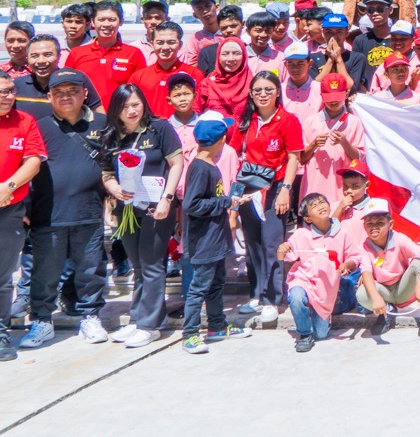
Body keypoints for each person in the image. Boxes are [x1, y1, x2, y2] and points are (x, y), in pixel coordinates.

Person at [17, 68, 112, 348]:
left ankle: (91, 317)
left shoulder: (103, 124)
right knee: (44, 273)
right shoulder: (39, 126)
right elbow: (25, 166)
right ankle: (42, 322)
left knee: (90, 270)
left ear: (85, 94)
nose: (66, 97)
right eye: (58, 92)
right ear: (49, 97)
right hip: (47, 214)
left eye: (72, 91)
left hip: (89, 212)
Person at [100, 84, 183, 347]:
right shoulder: (112, 135)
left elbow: (177, 163)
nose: (132, 110)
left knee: (151, 264)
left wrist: (167, 199)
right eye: (125, 106)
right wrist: (113, 188)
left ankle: (151, 325)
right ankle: (138, 318)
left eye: (136, 104)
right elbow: (106, 173)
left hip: (156, 207)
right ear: (116, 109)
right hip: (127, 209)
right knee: (138, 265)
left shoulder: (159, 128)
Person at [229, 71, 304, 325]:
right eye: (258, 90)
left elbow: (294, 157)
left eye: (268, 90)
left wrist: (285, 189)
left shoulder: (288, 120)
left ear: (277, 92)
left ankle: (273, 298)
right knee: (252, 245)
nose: (263, 95)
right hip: (249, 188)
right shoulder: (246, 120)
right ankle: (257, 294)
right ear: (251, 94)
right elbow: (237, 155)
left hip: (274, 189)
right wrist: (236, 194)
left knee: (272, 244)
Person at [178, 114, 251, 353]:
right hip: (204, 240)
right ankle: (189, 334)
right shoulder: (200, 168)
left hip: (216, 237)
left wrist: (227, 201)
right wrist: (226, 202)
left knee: (217, 283)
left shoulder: (209, 165)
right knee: (199, 286)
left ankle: (217, 326)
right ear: (220, 140)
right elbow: (192, 205)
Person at [278, 193, 363, 352]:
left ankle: (318, 318)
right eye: (314, 206)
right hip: (303, 279)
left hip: (326, 289)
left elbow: (355, 256)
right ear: (308, 218)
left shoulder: (342, 233)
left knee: (321, 334)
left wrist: (347, 264)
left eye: (322, 202)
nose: (320, 206)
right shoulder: (301, 234)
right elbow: (284, 256)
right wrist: (282, 249)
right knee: (296, 297)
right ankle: (304, 335)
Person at [0, 71, 46, 362]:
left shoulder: (25, 121)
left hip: (9, 208)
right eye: (1, 91)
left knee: (3, 277)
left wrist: (8, 186)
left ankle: (1, 331)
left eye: (9, 90)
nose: (6, 95)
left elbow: (33, 160)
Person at [356, 199, 420, 340]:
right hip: (384, 291)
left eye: (380, 223)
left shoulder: (399, 239)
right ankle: (387, 310)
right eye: (369, 223)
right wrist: (376, 298)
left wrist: (419, 287)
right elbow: (366, 272)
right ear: (364, 227)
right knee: (362, 292)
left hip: (403, 288)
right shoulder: (363, 247)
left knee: (419, 263)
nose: (374, 227)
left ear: (390, 224)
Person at [300, 74, 365, 205]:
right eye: (329, 98)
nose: (333, 102)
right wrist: (313, 145)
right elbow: (301, 158)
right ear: (321, 96)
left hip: (342, 186)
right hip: (314, 184)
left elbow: (359, 159)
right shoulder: (310, 122)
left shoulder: (354, 122)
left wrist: (344, 142)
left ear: (346, 95)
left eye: (337, 97)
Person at [66, 0, 145, 103]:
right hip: (86, 116)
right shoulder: (76, 53)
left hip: (119, 116)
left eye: (112, 20)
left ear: (121, 21)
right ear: (93, 22)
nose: (106, 24)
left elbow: (140, 90)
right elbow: (66, 86)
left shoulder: (134, 54)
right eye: (101, 20)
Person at [128, 21, 202, 119]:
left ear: (180, 45)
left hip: (182, 130)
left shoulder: (194, 74)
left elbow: (199, 107)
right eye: (160, 42)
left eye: (171, 42)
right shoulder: (138, 77)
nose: (165, 47)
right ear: (152, 44)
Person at [15, 34, 102, 110]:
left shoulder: (77, 80)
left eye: (48, 55)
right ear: (27, 59)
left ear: (59, 56)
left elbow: (98, 113)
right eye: (34, 56)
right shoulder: (17, 85)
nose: (41, 60)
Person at [198, 36, 253, 118]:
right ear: (218, 57)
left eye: (236, 53)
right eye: (225, 54)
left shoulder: (253, 83)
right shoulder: (207, 84)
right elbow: (196, 112)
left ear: (244, 56)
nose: (230, 59)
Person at [317, 13, 372, 93]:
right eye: (329, 32)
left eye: (339, 32)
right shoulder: (314, 58)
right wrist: (330, 59)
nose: (334, 36)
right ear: (322, 33)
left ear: (347, 33)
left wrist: (338, 58)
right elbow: (314, 87)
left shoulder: (357, 58)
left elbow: (351, 88)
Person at [193, 5, 243, 73]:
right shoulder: (207, 53)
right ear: (219, 28)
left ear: (243, 24)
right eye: (224, 27)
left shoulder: (250, 51)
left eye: (233, 26)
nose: (229, 30)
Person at [279, 41, 319, 120]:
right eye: (290, 63)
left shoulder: (319, 89)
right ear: (285, 65)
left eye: (300, 63)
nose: (295, 68)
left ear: (310, 64)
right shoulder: (279, 90)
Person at [181, 0, 220, 64]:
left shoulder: (228, 32)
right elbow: (192, 64)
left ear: (217, 7)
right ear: (195, 15)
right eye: (199, 8)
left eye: (208, 6)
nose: (205, 11)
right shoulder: (194, 39)